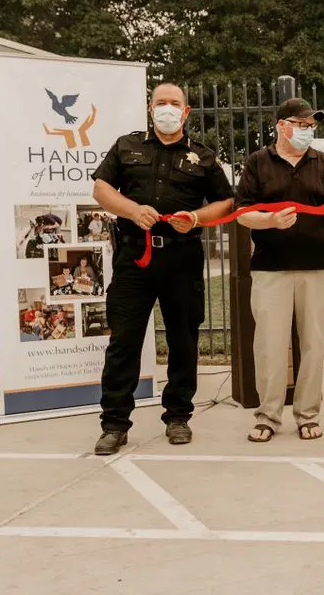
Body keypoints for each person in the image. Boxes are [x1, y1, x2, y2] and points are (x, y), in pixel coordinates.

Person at [90, 82, 235, 455]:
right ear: (150, 109)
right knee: (123, 342)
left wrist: (198, 218)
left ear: (186, 112)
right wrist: (132, 210)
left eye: (175, 104)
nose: (168, 109)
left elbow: (227, 203)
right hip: (134, 257)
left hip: (181, 257)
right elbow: (102, 189)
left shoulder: (202, 157)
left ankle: (177, 417)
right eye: (161, 103)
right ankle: (115, 424)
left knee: (183, 340)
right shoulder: (127, 145)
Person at [235, 98, 324, 443]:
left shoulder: (323, 162)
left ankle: (307, 414)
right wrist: (270, 220)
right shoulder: (258, 163)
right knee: (270, 345)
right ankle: (268, 416)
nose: (307, 131)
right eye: (301, 124)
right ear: (281, 125)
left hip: (318, 264)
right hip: (271, 267)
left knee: (314, 344)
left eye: (311, 126)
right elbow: (242, 212)